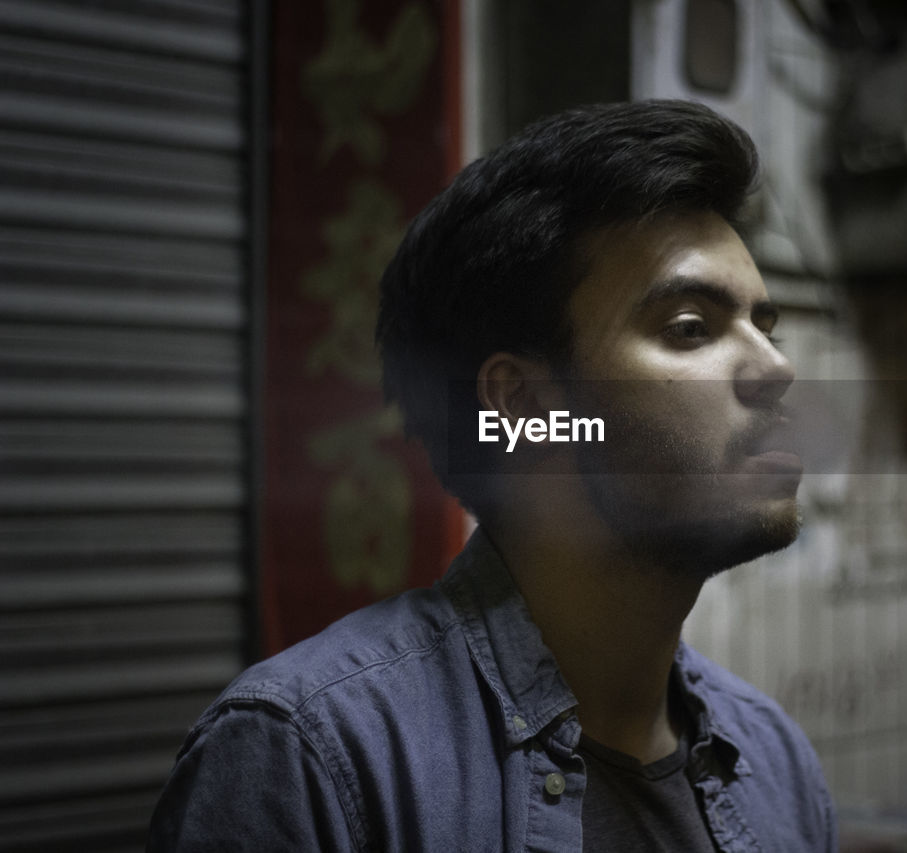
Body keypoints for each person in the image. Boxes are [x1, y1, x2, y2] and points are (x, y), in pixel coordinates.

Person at [149, 99, 837, 852]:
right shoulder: (312, 756)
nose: (776, 368)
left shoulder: (773, 762)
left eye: (763, 328)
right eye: (690, 329)